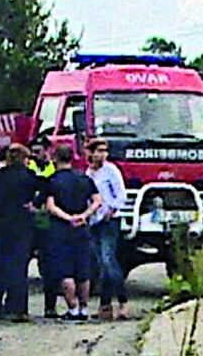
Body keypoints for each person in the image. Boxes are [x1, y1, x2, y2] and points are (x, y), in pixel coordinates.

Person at [0, 144, 49, 322]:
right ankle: (18, 309)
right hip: (20, 224)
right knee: (18, 267)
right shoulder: (28, 176)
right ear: (24, 158)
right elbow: (47, 186)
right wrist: (35, 204)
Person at [46, 145, 102, 322]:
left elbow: (51, 207)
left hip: (60, 230)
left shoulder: (52, 181)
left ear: (55, 158)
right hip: (82, 228)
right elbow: (97, 201)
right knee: (83, 270)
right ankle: (85, 308)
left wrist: (68, 218)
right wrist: (83, 215)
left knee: (65, 272)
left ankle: (73, 308)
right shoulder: (84, 178)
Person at [86, 139, 130, 320]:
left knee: (108, 259)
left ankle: (123, 300)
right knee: (101, 264)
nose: (102, 154)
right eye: (98, 151)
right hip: (94, 221)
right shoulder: (89, 173)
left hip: (109, 220)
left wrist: (111, 210)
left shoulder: (111, 171)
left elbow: (121, 195)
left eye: (104, 151)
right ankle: (105, 305)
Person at [26, 136, 59, 318]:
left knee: (49, 266)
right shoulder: (28, 169)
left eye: (37, 151)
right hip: (29, 222)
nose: (34, 155)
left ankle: (50, 306)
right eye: (32, 152)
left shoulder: (53, 171)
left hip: (47, 222)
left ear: (47, 151)